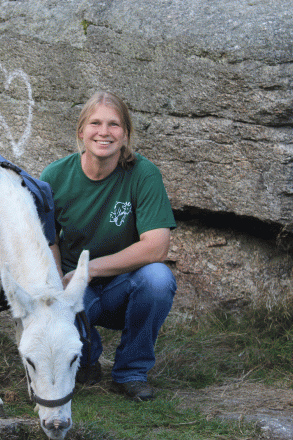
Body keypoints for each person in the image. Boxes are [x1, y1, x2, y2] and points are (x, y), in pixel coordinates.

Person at [40, 90, 177, 401]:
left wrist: (90, 269)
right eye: (95, 123)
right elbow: (47, 239)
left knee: (158, 278)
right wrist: (57, 283)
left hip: (123, 285)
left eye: (114, 125)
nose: (104, 132)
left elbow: (157, 247)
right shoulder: (55, 176)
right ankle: (87, 357)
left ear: (126, 134)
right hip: (74, 286)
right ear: (81, 132)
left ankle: (131, 372)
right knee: (60, 311)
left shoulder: (143, 174)